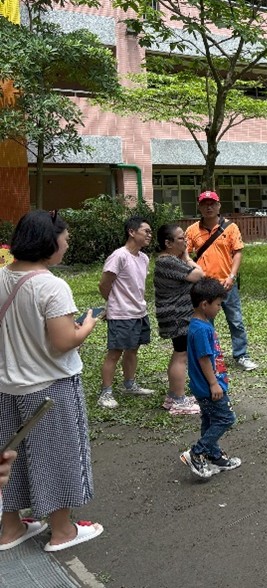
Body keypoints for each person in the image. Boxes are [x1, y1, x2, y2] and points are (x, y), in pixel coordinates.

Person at [0, 210, 105, 552]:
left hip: (6, 384)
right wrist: (87, 323)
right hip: (49, 388)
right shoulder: (51, 286)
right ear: (49, 242)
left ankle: (11, 527)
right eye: (65, 239)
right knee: (56, 455)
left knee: (8, 456)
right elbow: (63, 342)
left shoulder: (1, 277)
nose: (67, 244)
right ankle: (62, 532)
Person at [186, 190, 259, 371]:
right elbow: (185, 255)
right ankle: (210, 356)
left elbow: (238, 252)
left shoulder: (231, 228)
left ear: (219, 206)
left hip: (227, 283)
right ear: (199, 207)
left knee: (235, 320)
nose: (208, 207)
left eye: (212, 204)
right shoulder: (192, 230)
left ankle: (241, 355)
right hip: (203, 286)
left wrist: (232, 276)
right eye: (204, 204)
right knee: (205, 323)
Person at [180, 277, 242, 479]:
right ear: (204, 304)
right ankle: (196, 452)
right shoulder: (201, 329)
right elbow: (204, 359)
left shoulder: (201, 325)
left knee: (209, 420)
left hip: (204, 387)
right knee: (226, 418)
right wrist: (214, 384)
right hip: (208, 387)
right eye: (217, 305)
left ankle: (215, 456)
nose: (219, 308)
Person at [97, 216, 154, 409]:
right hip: (121, 314)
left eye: (150, 232)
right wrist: (113, 304)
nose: (150, 235)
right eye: (146, 231)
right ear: (132, 232)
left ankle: (129, 384)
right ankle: (105, 393)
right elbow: (104, 284)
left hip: (139, 312)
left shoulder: (144, 258)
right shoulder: (119, 256)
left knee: (133, 349)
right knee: (114, 353)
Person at [154, 223, 203, 416]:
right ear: (168, 243)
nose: (186, 241)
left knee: (179, 354)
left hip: (177, 314)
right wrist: (189, 258)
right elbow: (199, 274)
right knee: (181, 355)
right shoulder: (168, 261)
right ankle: (179, 401)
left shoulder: (172, 260)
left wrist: (185, 257)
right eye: (181, 238)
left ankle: (174, 396)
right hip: (177, 315)